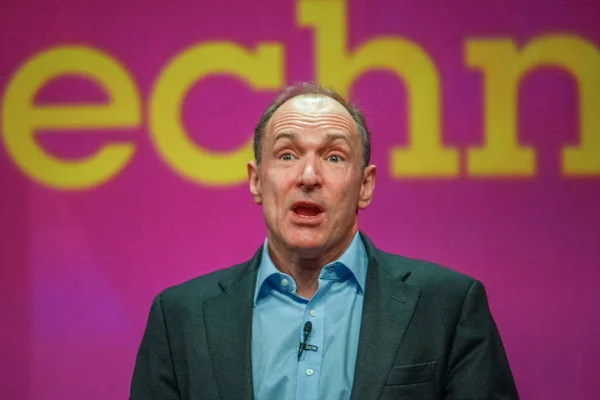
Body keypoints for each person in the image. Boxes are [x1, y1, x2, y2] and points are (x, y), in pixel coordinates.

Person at [130, 82, 519, 400]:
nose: (309, 176)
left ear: (365, 186)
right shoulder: (179, 317)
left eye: (334, 157)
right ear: (256, 180)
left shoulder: (448, 307)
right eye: (287, 155)